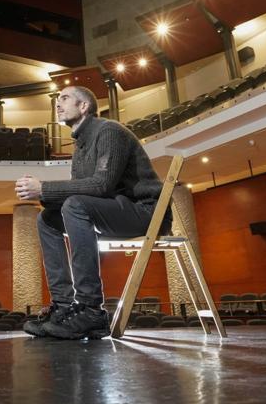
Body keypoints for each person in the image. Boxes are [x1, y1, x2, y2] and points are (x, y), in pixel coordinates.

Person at [14, 85, 169, 339]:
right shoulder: (80, 148)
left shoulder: (108, 131)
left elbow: (101, 185)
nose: (58, 103)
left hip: (145, 212)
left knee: (74, 204)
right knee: (47, 220)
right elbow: (84, 194)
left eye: (64, 98)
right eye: (57, 100)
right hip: (115, 209)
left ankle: (91, 310)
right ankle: (64, 307)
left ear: (84, 106)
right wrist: (43, 195)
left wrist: (44, 188)